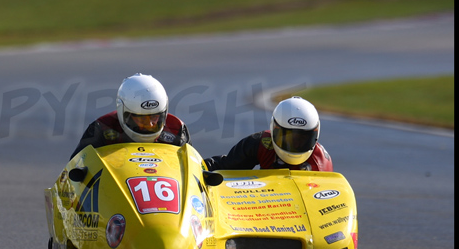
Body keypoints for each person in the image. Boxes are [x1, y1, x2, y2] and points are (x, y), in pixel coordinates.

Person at [70, 73, 191, 159]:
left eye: (155, 117)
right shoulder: (102, 128)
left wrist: (205, 166)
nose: (149, 124)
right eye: (141, 118)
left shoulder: (176, 129)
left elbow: (191, 168)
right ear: (124, 113)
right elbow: (73, 171)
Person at [203, 96, 333, 171]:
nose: (295, 144)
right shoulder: (260, 143)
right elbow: (224, 167)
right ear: (274, 129)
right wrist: (196, 166)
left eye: (302, 139)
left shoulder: (320, 164)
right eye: (288, 138)